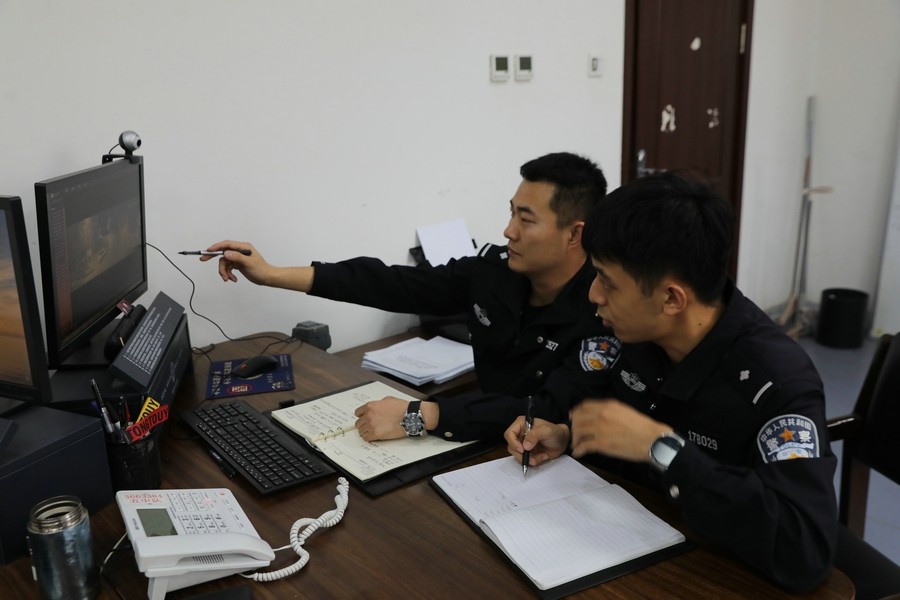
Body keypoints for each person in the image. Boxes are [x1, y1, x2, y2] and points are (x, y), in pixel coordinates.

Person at [504, 172, 838, 593]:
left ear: (671, 299)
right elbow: (632, 443)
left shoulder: (775, 381)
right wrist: (568, 436)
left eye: (607, 281)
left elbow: (804, 552)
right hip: (627, 547)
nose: (594, 295)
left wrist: (663, 448)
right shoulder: (637, 332)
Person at [202, 152, 619, 443]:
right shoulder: (496, 271)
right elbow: (392, 283)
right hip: (481, 442)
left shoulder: (605, 308)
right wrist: (272, 274)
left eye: (525, 220)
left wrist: (422, 415)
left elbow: (550, 409)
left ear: (574, 234)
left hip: (551, 463)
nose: (508, 230)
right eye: (511, 212)